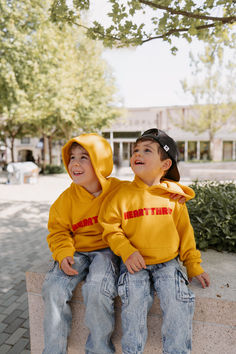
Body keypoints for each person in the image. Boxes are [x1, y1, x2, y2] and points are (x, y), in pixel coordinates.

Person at [42, 132, 194, 354]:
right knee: (53, 288)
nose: (75, 163)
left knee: (97, 289)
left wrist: (175, 190)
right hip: (75, 250)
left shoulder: (117, 189)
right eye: (71, 158)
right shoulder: (63, 202)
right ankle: (53, 350)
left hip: (106, 251)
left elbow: (147, 186)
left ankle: (99, 349)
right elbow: (58, 232)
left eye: (84, 157)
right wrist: (63, 252)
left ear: (100, 161)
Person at [99, 128, 210, 354]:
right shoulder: (122, 195)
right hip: (133, 264)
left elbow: (185, 233)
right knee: (134, 302)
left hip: (168, 263)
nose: (137, 154)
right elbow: (110, 228)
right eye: (135, 150)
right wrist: (126, 251)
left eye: (146, 150)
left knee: (179, 302)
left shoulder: (173, 197)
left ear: (165, 164)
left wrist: (193, 264)